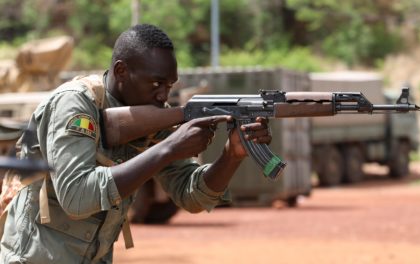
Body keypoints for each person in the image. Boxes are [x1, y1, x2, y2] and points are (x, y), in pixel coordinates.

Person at [0, 24, 271, 263]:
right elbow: (77, 197)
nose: (164, 94)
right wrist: (168, 148)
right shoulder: (76, 105)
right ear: (121, 71)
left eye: (170, 84)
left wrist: (231, 155)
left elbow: (191, 196)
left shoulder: (152, 113)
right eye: (156, 82)